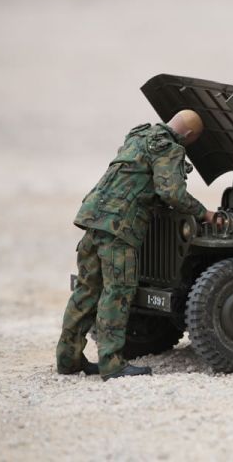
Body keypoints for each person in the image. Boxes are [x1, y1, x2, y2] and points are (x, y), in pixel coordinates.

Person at [56, 110, 215, 381]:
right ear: (189, 136)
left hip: (94, 220)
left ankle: (68, 359)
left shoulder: (139, 136)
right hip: (119, 229)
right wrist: (205, 213)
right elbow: (171, 193)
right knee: (116, 292)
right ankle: (112, 364)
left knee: (86, 291)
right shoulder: (169, 148)